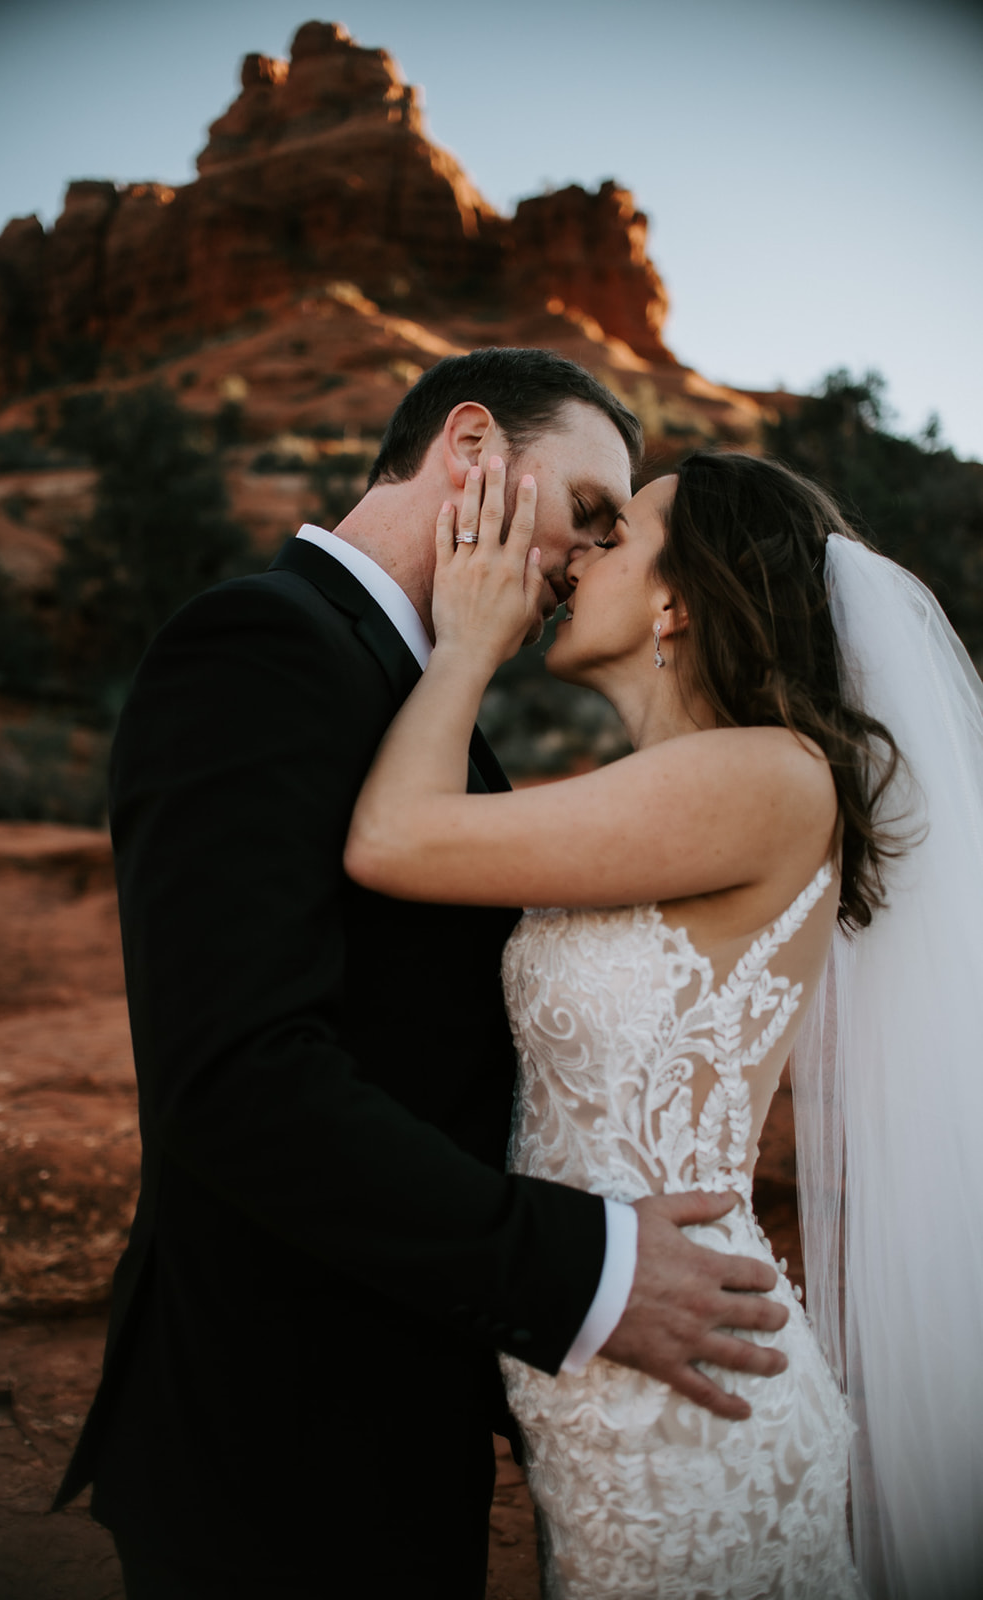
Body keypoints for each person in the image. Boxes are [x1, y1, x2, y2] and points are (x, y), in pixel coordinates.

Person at [52, 350, 792, 1600]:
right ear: (470, 451)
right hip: (276, 1452)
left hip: (397, 1418)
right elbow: (236, 1078)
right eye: (588, 510)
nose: (588, 559)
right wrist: (578, 1271)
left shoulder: (427, 700)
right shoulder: (260, 646)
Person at [346, 448, 983, 1597]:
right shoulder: (656, 788)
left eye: (616, 534)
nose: (579, 552)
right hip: (606, 1357)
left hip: (686, 1389)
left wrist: (469, 645)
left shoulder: (763, 775)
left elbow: (391, 839)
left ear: (677, 598)